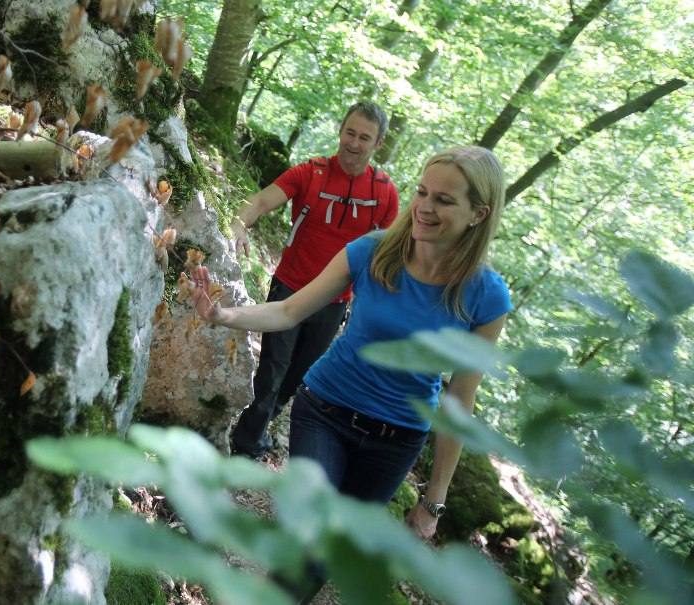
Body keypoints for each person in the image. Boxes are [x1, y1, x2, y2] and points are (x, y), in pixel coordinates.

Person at [192, 146, 512, 601]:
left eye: (444, 200)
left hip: (396, 442)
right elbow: (288, 310)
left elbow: (460, 400)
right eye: (422, 192)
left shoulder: (486, 297)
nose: (424, 206)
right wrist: (223, 315)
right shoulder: (372, 251)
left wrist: (433, 501)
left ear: (479, 213)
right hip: (326, 410)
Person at [228, 101, 400, 460]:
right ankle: (245, 446)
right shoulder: (312, 173)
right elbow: (261, 200)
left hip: (335, 302)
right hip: (290, 286)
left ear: (378, 144)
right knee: (272, 374)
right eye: (349, 132)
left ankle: (254, 430)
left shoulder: (385, 194)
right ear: (340, 131)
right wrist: (238, 225)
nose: (353, 143)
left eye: (364, 137)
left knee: (295, 381)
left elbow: (387, 256)